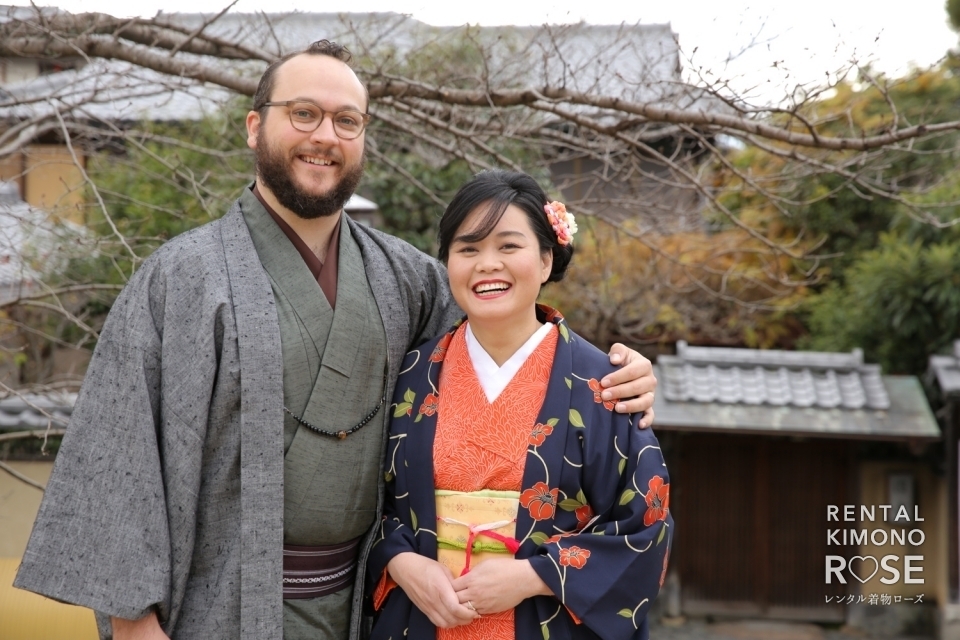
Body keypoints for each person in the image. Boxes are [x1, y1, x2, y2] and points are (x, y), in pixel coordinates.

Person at [14, 41, 658, 640]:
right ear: (253, 126)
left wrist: (619, 376)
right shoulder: (181, 279)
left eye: (347, 121)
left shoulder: (407, 278)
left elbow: (504, 343)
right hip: (215, 604)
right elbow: (121, 451)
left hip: (367, 602)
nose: (326, 136)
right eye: (303, 114)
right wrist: (133, 624)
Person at [367, 170, 671, 640]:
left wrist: (533, 576)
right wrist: (402, 562)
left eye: (509, 246)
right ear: (447, 262)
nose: (487, 264)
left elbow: (645, 528)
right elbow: (368, 504)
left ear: (547, 259)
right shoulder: (411, 374)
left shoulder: (603, 384)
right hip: (426, 616)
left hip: (542, 621)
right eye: (468, 249)